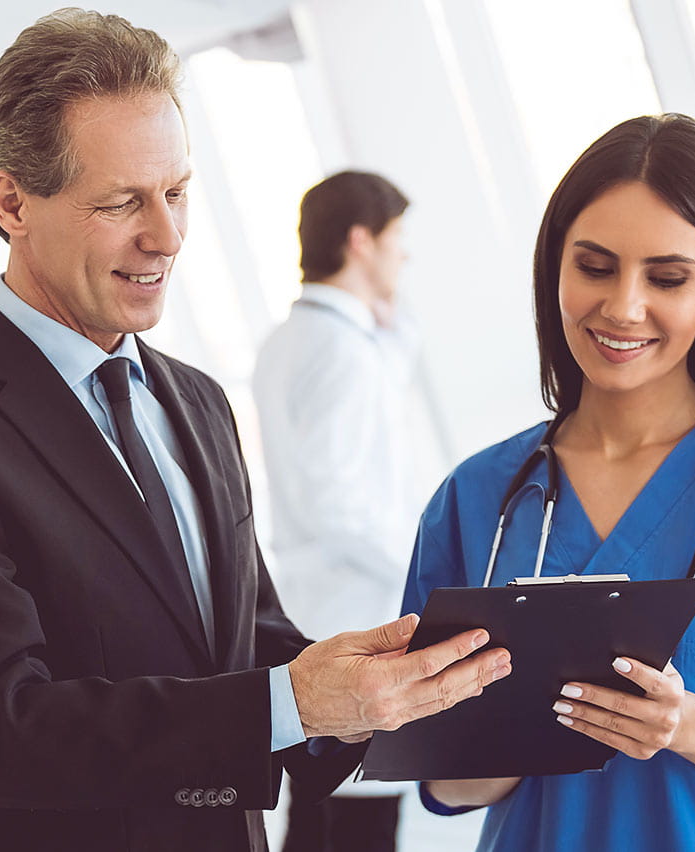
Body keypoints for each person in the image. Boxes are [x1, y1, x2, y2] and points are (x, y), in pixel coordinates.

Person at [0, 10, 511, 852]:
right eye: (123, 202)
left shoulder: (195, 401)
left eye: (179, 192)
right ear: (12, 201)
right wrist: (291, 702)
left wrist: (395, 692)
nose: (168, 236)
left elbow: (246, 644)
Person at [406, 114, 695, 849]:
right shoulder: (477, 496)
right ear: (555, 266)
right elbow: (444, 779)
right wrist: (505, 720)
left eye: (667, 278)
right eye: (594, 267)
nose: (623, 307)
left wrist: (682, 725)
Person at [253, 171, 418, 852]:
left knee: (317, 816)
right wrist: (425, 567)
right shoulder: (345, 353)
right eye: (397, 242)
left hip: (310, 607)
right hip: (359, 614)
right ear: (360, 241)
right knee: (358, 826)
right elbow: (337, 498)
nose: (405, 259)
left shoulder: (292, 341)